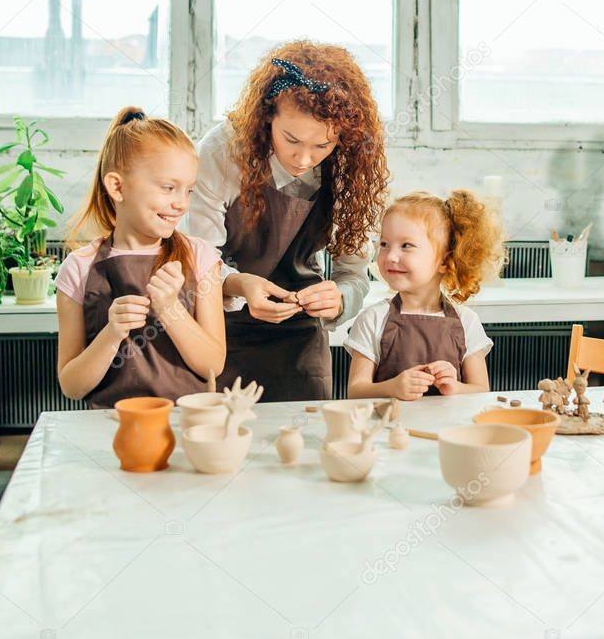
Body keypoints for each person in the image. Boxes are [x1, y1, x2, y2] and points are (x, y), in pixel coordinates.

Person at [187, 41, 388, 401]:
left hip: (301, 337)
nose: (304, 159)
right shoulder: (221, 153)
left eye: (322, 146)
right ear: (267, 118)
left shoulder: (349, 165)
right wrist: (239, 285)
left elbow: (354, 275)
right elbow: (196, 261)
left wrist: (340, 298)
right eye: (291, 140)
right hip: (218, 329)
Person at [56, 108, 225, 408]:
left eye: (189, 190)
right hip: (110, 430)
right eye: (169, 188)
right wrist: (111, 335)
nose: (181, 204)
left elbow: (213, 365)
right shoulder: (77, 268)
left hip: (185, 426)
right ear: (118, 187)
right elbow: (71, 386)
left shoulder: (201, 257)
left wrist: (171, 309)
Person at [345, 190, 505, 400]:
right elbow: (356, 391)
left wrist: (455, 387)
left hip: (449, 432)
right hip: (389, 431)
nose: (390, 256)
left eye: (406, 246)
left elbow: (481, 390)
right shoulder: (372, 319)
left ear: (445, 262)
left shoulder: (467, 322)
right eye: (384, 244)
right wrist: (393, 387)